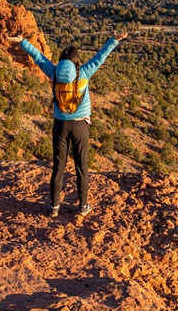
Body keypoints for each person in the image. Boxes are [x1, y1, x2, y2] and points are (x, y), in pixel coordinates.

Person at [8, 29, 127, 218]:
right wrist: (114, 40)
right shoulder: (84, 72)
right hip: (80, 126)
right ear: (76, 60)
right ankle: (83, 206)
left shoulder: (54, 72)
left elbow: (38, 57)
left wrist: (22, 42)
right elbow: (100, 57)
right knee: (82, 166)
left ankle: (54, 207)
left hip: (60, 125)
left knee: (58, 166)